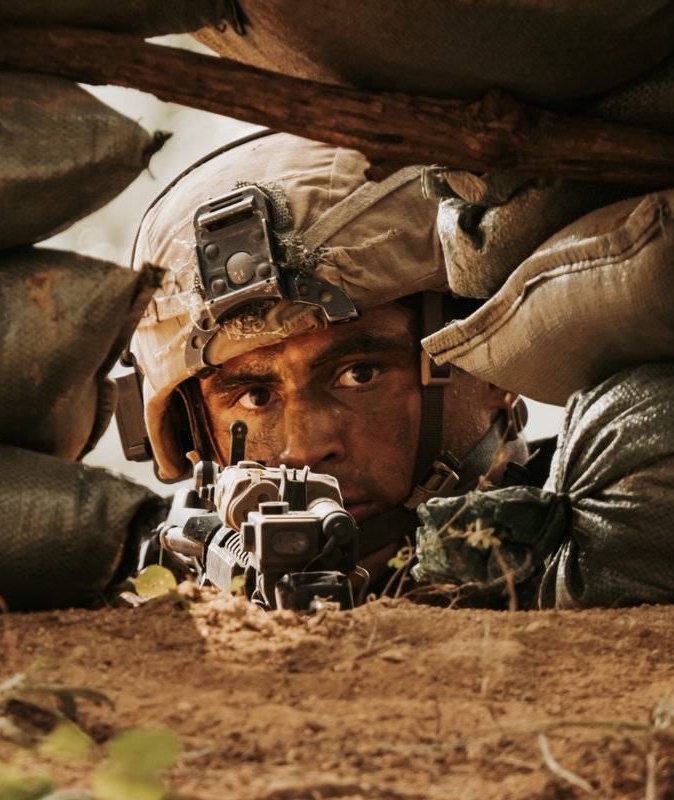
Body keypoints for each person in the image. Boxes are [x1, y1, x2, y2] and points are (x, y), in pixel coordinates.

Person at [117, 131, 552, 587]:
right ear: (194, 432)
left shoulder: (597, 558)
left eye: (359, 374)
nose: (303, 450)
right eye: (255, 396)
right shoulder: (154, 596)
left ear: (494, 367)